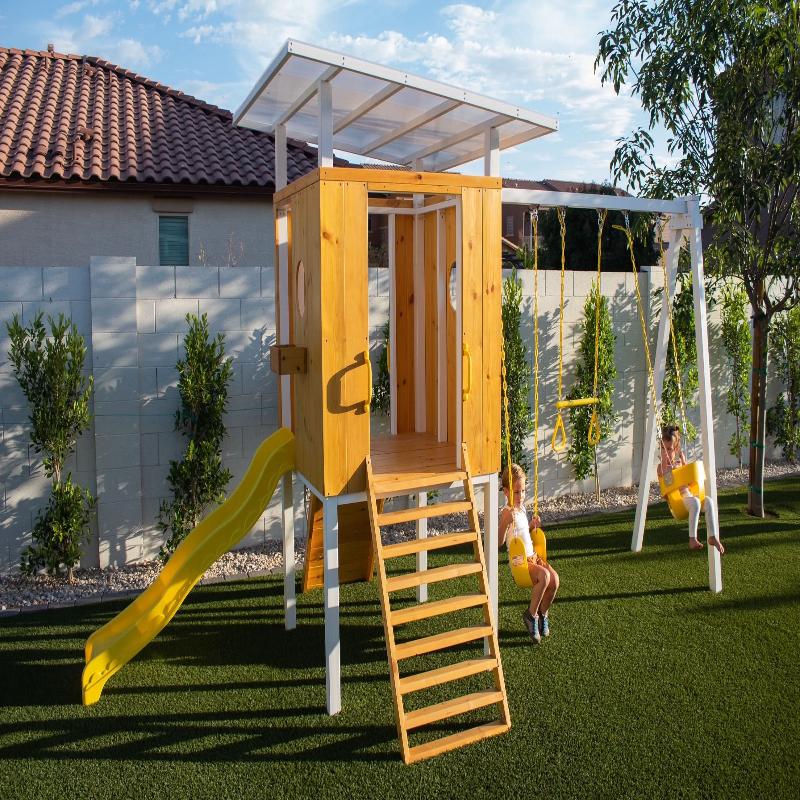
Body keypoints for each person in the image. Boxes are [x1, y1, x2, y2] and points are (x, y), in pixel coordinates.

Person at [499, 463, 559, 644]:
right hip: (520, 562)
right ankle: (530, 615)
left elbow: (524, 532)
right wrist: (504, 524)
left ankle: (542, 613)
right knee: (544, 576)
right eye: (516, 492)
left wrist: (532, 526)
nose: (521, 495)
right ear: (506, 492)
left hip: (533, 556)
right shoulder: (506, 513)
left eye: (523, 491)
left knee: (554, 580)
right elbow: (499, 541)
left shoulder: (523, 509)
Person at [657, 425, 724, 554]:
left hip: (689, 495)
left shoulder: (679, 463)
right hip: (678, 501)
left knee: (709, 501)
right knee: (696, 503)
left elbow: (689, 478)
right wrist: (666, 464)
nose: (665, 453)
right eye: (663, 449)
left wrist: (683, 461)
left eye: (669, 449)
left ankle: (712, 536)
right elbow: (665, 481)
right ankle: (692, 539)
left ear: (676, 449)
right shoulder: (661, 468)